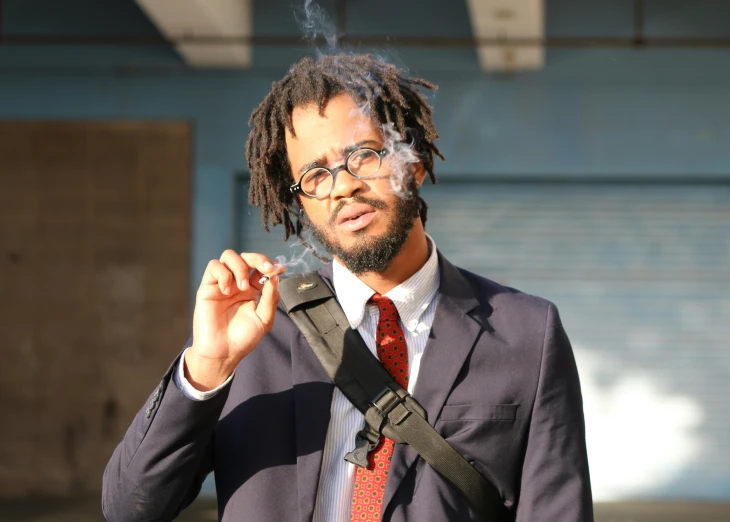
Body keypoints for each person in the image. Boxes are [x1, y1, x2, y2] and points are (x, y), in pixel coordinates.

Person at [102, 54, 593, 522]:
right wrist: (207, 368)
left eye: (362, 155)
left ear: (413, 162)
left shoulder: (526, 333)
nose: (341, 186)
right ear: (302, 204)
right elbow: (130, 508)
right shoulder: (256, 332)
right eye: (315, 175)